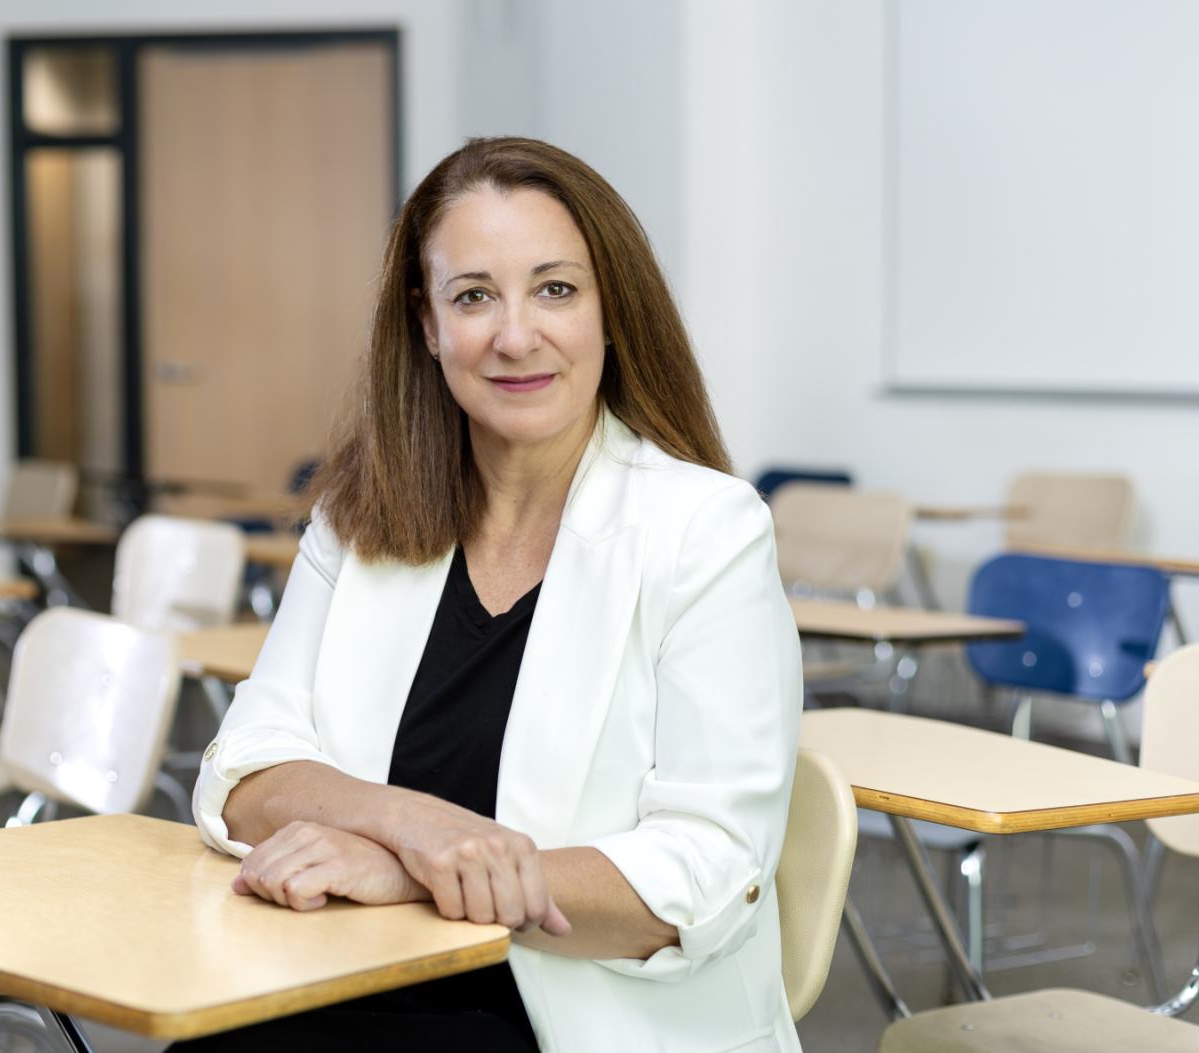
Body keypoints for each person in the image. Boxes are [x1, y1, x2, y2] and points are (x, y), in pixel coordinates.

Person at [183, 136, 803, 1052]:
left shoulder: (706, 529)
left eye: (555, 288)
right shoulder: (361, 516)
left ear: (609, 311)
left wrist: (418, 875)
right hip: (336, 978)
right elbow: (243, 773)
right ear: (428, 325)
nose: (516, 335)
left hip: (578, 1016)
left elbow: (708, 870)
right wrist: (417, 828)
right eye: (473, 296)